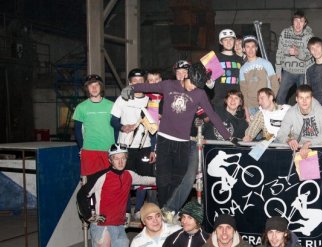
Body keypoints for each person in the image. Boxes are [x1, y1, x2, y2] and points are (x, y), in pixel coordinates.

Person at [123, 62, 231, 214]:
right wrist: (132, 88)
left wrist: (228, 136)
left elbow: (212, 115)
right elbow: (149, 87)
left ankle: (169, 211)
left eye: (197, 86)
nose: (193, 87)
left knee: (177, 180)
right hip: (164, 140)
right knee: (162, 180)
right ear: (187, 76)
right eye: (192, 84)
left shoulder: (199, 93)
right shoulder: (169, 85)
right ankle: (164, 211)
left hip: (183, 143)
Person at [78, 144, 156, 247]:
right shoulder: (102, 176)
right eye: (116, 159)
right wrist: (89, 216)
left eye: (123, 158)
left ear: (126, 159)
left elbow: (146, 180)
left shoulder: (129, 175)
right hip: (102, 225)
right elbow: (82, 194)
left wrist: (167, 180)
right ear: (110, 160)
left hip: (119, 225)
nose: (120, 162)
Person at [110, 68, 155, 221]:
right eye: (134, 81)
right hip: (125, 146)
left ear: (145, 82)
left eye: (140, 81)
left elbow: (155, 126)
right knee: (125, 179)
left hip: (145, 146)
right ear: (130, 83)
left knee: (144, 179)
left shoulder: (150, 101)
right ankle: (127, 210)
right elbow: (113, 121)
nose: (137, 83)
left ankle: (139, 209)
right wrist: (122, 127)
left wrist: (154, 149)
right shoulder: (122, 99)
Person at [73, 74, 115, 176]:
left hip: (108, 149)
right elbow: (77, 130)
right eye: (91, 86)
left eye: (97, 85)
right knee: (90, 182)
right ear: (87, 88)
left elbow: (117, 128)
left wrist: (116, 147)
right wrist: (81, 148)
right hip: (89, 150)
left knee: (109, 181)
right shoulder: (81, 107)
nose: (94, 88)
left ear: (101, 87)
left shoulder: (112, 105)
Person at [277, 84, 322, 159]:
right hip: (298, 148)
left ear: (312, 98)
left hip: (318, 147)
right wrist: (289, 140)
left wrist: (308, 144)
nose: (304, 101)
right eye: (301, 98)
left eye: (307, 97)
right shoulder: (291, 112)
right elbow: (281, 134)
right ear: (296, 99)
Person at [275, 10, 313, 105]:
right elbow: (279, 52)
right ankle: (281, 113)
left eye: (301, 21)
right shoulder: (285, 33)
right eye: (296, 20)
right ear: (292, 21)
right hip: (288, 71)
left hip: (303, 72)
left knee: (304, 97)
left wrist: (298, 53)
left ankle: (303, 113)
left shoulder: (309, 36)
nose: (298, 24)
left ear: (305, 23)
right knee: (279, 96)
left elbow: (310, 54)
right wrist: (278, 71)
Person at [239, 35, 279, 117]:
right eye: (247, 47)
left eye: (253, 46)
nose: (250, 49)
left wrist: (270, 99)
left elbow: (275, 83)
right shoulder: (242, 69)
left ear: (256, 48)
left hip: (266, 104)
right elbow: (243, 91)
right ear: (243, 49)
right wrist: (246, 109)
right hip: (251, 106)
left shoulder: (266, 63)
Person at [211, 29, 245, 109]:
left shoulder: (240, 59)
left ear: (234, 41)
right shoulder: (214, 58)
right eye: (225, 40)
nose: (228, 42)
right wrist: (208, 81)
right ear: (221, 42)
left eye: (231, 39)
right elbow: (210, 85)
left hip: (236, 102)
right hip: (220, 102)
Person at [305, 37, 322, 108]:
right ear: (310, 52)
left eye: (318, 47)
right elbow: (309, 91)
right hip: (316, 106)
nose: (315, 50)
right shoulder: (309, 70)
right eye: (312, 48)